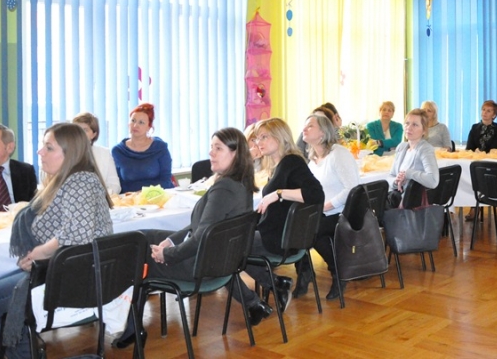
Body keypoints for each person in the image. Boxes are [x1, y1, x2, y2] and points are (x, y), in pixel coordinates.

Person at [0, 123, 112, 359]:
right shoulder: (65, 181)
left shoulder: (80, 181)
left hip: (70, 276)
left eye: (49, 147)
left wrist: (40, 253)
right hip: (59, 269)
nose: (40, 152)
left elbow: (78, 233)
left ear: (70, 153)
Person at [114, 127, 259, 348]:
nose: (211, 153)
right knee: (144, 236)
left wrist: (168, 255)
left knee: (138, 255)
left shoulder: (224, 189)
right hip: (220, 260)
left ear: (235, 154)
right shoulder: (240, 184)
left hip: (203, 266)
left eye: (218, 148)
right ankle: (132, 326)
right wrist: (171, 241)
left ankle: (132, 327)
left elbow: (201, 237)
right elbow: (203, 226)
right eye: (211, 147)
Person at [237, 118, 324, 315]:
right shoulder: (280, 164)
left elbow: (316, 194)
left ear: (279, 137)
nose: (259, 142)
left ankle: (267, 292)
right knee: (234, 244)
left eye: (264, 137)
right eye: (257, 138)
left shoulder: (292, 162)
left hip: (281, 238)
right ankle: (276, 285)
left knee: (231, 248)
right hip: (279, 233)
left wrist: (278, 194)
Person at [301, 114, 360, 300]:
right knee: (297, 226)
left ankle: (337, 272)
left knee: (311, 230)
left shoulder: (338, 154)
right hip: (325, 213)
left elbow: (352, 188)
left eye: (310, 126)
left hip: (344, 212)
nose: (304, 129)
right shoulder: (312, 161)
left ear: (322, 133)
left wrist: (326, 206)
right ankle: (305, 271)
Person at [111, 102, 173, 193]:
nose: (135, 125)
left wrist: (144, 192)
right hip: (130, 198)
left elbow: (166, 181)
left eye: (141, 122)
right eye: (133, 121)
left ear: (149, 127)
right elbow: (117, 185)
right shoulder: (118, 151)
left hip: (158, 196)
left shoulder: (160, 148)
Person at [386, 109, 440, 209]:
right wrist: (396, 181)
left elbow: (433, 181)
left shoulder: (425, 149)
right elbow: (391, 175)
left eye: (415, 125)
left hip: (410, 205)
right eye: (407, 123)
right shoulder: (401, 147)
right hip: (397, 198)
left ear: (424, 130)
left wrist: (408, 173)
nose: (409, 127)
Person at [71, 112, 121, 194]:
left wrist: (98, 196)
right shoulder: (63, 154)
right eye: (77, 129)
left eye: (85, 130)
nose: (80, 133)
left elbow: (115, 185)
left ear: (94, 134)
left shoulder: (104, 153)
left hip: (99, 199)